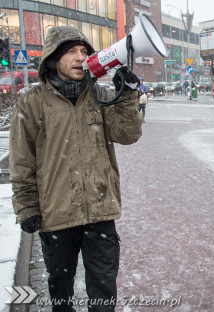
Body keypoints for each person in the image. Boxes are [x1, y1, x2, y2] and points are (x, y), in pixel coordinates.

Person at [9, 26, 143, 312]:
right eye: (71, 51)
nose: (79, 58)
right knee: (60, 284)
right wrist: (27, 207)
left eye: (84, 52)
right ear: (53, 59)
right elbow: (22, 161)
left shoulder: (100, 95)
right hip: (57, 213)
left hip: (100, 209)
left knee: (104, 285)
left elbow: (127, 135)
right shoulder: (32, 103)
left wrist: (128, 97)